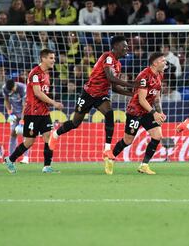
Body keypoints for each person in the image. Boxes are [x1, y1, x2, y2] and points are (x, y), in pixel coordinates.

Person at [48, 36, 134, 166]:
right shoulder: (108, 57)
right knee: (75, 123)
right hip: (88, 93)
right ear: (116, 46)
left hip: (101, 96)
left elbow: (114, 87)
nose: (127, 48)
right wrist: (132, 85)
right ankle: (55, 134)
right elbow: (110, 77)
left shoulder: (118, 64)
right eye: (124, 45)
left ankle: (107, 150)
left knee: (109, 113)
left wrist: (131, 94)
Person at [4, 49, 64, 174]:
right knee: (29, 141)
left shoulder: (47, 74)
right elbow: (37, 92)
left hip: (44, 112)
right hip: (32, 112)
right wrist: (54, 103)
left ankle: (47, 166)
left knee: (49, 137)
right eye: (51, 58)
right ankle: (10, 159)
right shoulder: (35, 74)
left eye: (54, 58)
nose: (54, 60)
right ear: (43, 58)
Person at [106, 52, 166, 175]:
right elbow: (141, 100)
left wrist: (160, 112)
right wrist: (154, 113)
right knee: (128, 141)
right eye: (163, 60)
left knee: (157, 135)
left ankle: (144, 165)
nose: (165, 62)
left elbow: (156, 96)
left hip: (147, 111)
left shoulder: (160, 74)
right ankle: (110, 158)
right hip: (135, 111)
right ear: (155, 63)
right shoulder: (144, 76)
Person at [3, 79, 30, 164]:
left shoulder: (23, 88)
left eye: (13, 89)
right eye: (10, 90)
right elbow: (6, 100)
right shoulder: (5, 88)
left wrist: (22, 120)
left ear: (15, 85)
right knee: (13, 133)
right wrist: (9, 112)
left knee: (25, 133)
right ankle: (11, 158)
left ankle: (26, 158)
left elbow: (25, 105)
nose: (12, 91)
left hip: (26, 112)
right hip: (14, 113)